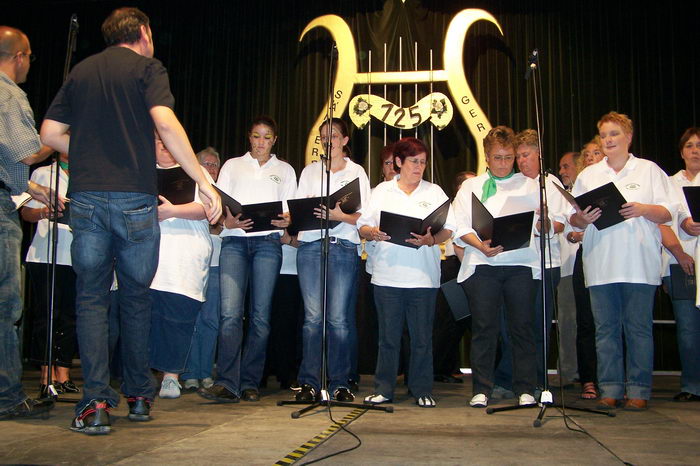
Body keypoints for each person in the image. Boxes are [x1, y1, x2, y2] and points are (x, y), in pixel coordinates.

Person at [40, 7, 221, 435]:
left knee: (91, 299)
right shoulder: (147, 68)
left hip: (85, 198)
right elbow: (166, 122)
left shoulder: (82, 72)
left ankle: (96, 402)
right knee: (137, 296)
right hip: (136, 201)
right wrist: (203, 180)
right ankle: (139, 394)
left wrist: (85, 154)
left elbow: (48, 134)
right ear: (143, 32)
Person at [570, 111, 673, 410]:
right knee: (605, 330)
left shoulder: (649, 170)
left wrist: (643, 208)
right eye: (603, 135)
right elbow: (574, 220)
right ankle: (610, 387)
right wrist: (581, 217)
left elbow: (669, 212)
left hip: (639, 263)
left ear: (628, 137)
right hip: (601, 263)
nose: (608, 140)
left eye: (614, 134)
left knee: (638, 328)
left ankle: (639, 390)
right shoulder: (589, 175)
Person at [198, 116, 296, 403]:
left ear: (274, 140)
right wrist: (228, 222)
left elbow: (289, 211)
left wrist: (286, 220)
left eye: (267, 137)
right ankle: (227, 382)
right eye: (256, 136)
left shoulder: (286, 170)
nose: (261, 143)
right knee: (229, 315)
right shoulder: (232, 165)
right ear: (249, 138)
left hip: (268, 245)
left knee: (260, 317)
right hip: (235, 244)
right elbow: (220, 201)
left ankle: (250, 381)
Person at [453, 126, 548, 408]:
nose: (504, 164)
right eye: (498, 158)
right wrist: (480, 245)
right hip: (483, 264)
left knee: (522, 327)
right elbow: (459, 225)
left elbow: (545, 224)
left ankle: (525, 388)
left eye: (509, 158)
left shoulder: (531, 185)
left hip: (520, 263)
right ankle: (482, 388)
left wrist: (542, 223)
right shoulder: (471, 186)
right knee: (484, 327)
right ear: (486, 156)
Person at [358, 137, 455, 407]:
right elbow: (363, 227)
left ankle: (422, 389)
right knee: (388, 337)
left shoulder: (434, 192)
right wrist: (372, 233)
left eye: (423, 162)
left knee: (422, 337)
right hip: (387, 275)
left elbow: (449, 228)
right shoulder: (381, 192)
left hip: (423, 276)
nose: (419, 167)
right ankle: (384, 388)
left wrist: (432, 240)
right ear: (399, 162)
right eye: (414, 161)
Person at [294, 118, 371, 403]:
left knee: (338, 320)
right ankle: (309, 383)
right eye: (323, 137)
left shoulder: (357, 172)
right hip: (311, 246)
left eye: (334, 136)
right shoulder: (310, 172)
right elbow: (299, 211)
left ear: (345, 140)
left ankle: (340, 383)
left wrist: (340, 216)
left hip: (342, 246)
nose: (329, 142)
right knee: (312, 319)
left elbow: (366, 216)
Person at [0, 25, 55, 420]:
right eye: (30, 56)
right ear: (19, 56)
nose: (29, 64)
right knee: (6, 304)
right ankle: (7, 397)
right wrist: (59, 135)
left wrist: (30, 189)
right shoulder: (7, 93)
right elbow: (29, 151)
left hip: (9, 193)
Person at [149, 135, 213, 400]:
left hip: (185, 256)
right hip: (149, 255)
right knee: (148, 318)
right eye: (159, 140)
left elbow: (208, 208)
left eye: (169, 139)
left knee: (178, 318)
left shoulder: (195, 173)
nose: (165, 143)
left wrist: (172, 211)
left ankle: (172, 376)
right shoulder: (140, 173)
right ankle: (143, 375)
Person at [21, 153, 79, 397]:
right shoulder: (42, 173)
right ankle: (46, 374)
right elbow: (26, 213)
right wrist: (45, 212)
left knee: (69, 315)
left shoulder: (88, 173)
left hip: (77, 254)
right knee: (47, 314)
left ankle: (64, 373)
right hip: (45, 253)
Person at [662, 128, 700, 402]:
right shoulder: (670, 183)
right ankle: (691, 385)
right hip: (681, 262)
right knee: (687, 328)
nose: (695, 150)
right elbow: (662, 222)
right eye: (689, 146)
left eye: (699, 145)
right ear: (681, 151)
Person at [182, 147, 222, 392]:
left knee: (210, 320)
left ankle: (205, 371)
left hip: (217, 263)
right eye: (206, 164)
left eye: (215, 164)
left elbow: (222, 226)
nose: (211, 168)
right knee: (189, 319)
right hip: (191, 262)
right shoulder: (188, 189)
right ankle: (188, 372)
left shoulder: (224, 190)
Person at [556, 151, 583, 385]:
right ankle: (567, 372)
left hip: (591, 267)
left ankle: (589, 374)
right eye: (560, 167)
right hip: (566, 267)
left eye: (566, 167)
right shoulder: (561, 196)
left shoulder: (587, 195)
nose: (562, 172)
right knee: (566, 322)